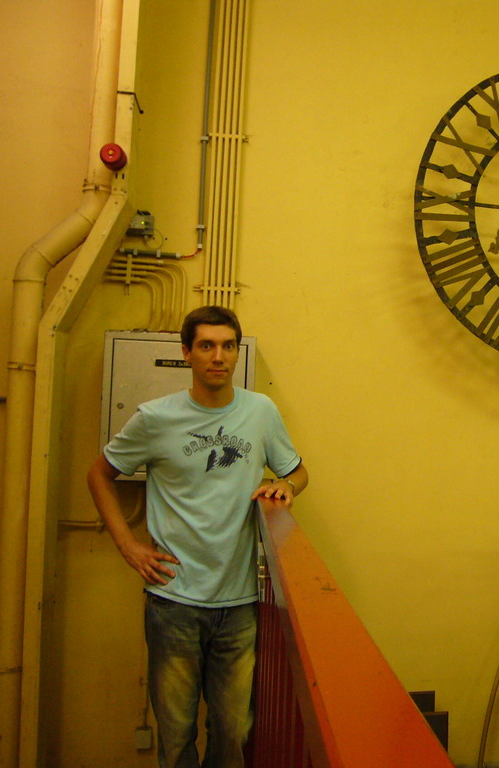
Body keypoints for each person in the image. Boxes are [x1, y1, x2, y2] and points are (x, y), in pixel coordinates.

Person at [87, 305, 308, 768]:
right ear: (186, 352)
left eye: (228, 346)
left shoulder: (260, 411)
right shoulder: (155, 418)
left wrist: (286, 485)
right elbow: (99, 475)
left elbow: (298, 472)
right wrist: (128, 544)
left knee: (232, 737)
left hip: (240, 602)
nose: (218, 356)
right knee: (176, 739)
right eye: (206, 345)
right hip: (173, 602)